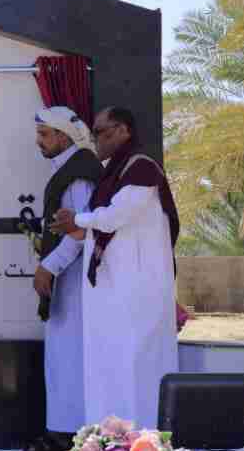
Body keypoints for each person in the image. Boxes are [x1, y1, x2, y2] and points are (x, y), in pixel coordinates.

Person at [50, 106, 180, 427]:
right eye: (94, 133)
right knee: (109, 363)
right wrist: (76, 226)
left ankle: (145, 438)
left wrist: (78, 220)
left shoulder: (141, 168)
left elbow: (115, 216)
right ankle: (108, 438)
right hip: (112, 288)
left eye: (102, 132)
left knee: (138, 363)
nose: (96, 139)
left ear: (124, 131)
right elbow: (99, 224)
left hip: (138, 288)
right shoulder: (113, 173)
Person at [23, 107, 101, 451]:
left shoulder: (80, 175)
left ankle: (70, 434)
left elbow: (81, 230)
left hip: (77, 281)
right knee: (61, 357)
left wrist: (49, 266)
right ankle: (64, 431)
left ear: (63, 137)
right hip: (68, 279)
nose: (38, 141)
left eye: (44, 135)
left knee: (70, 359)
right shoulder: (68, 169)